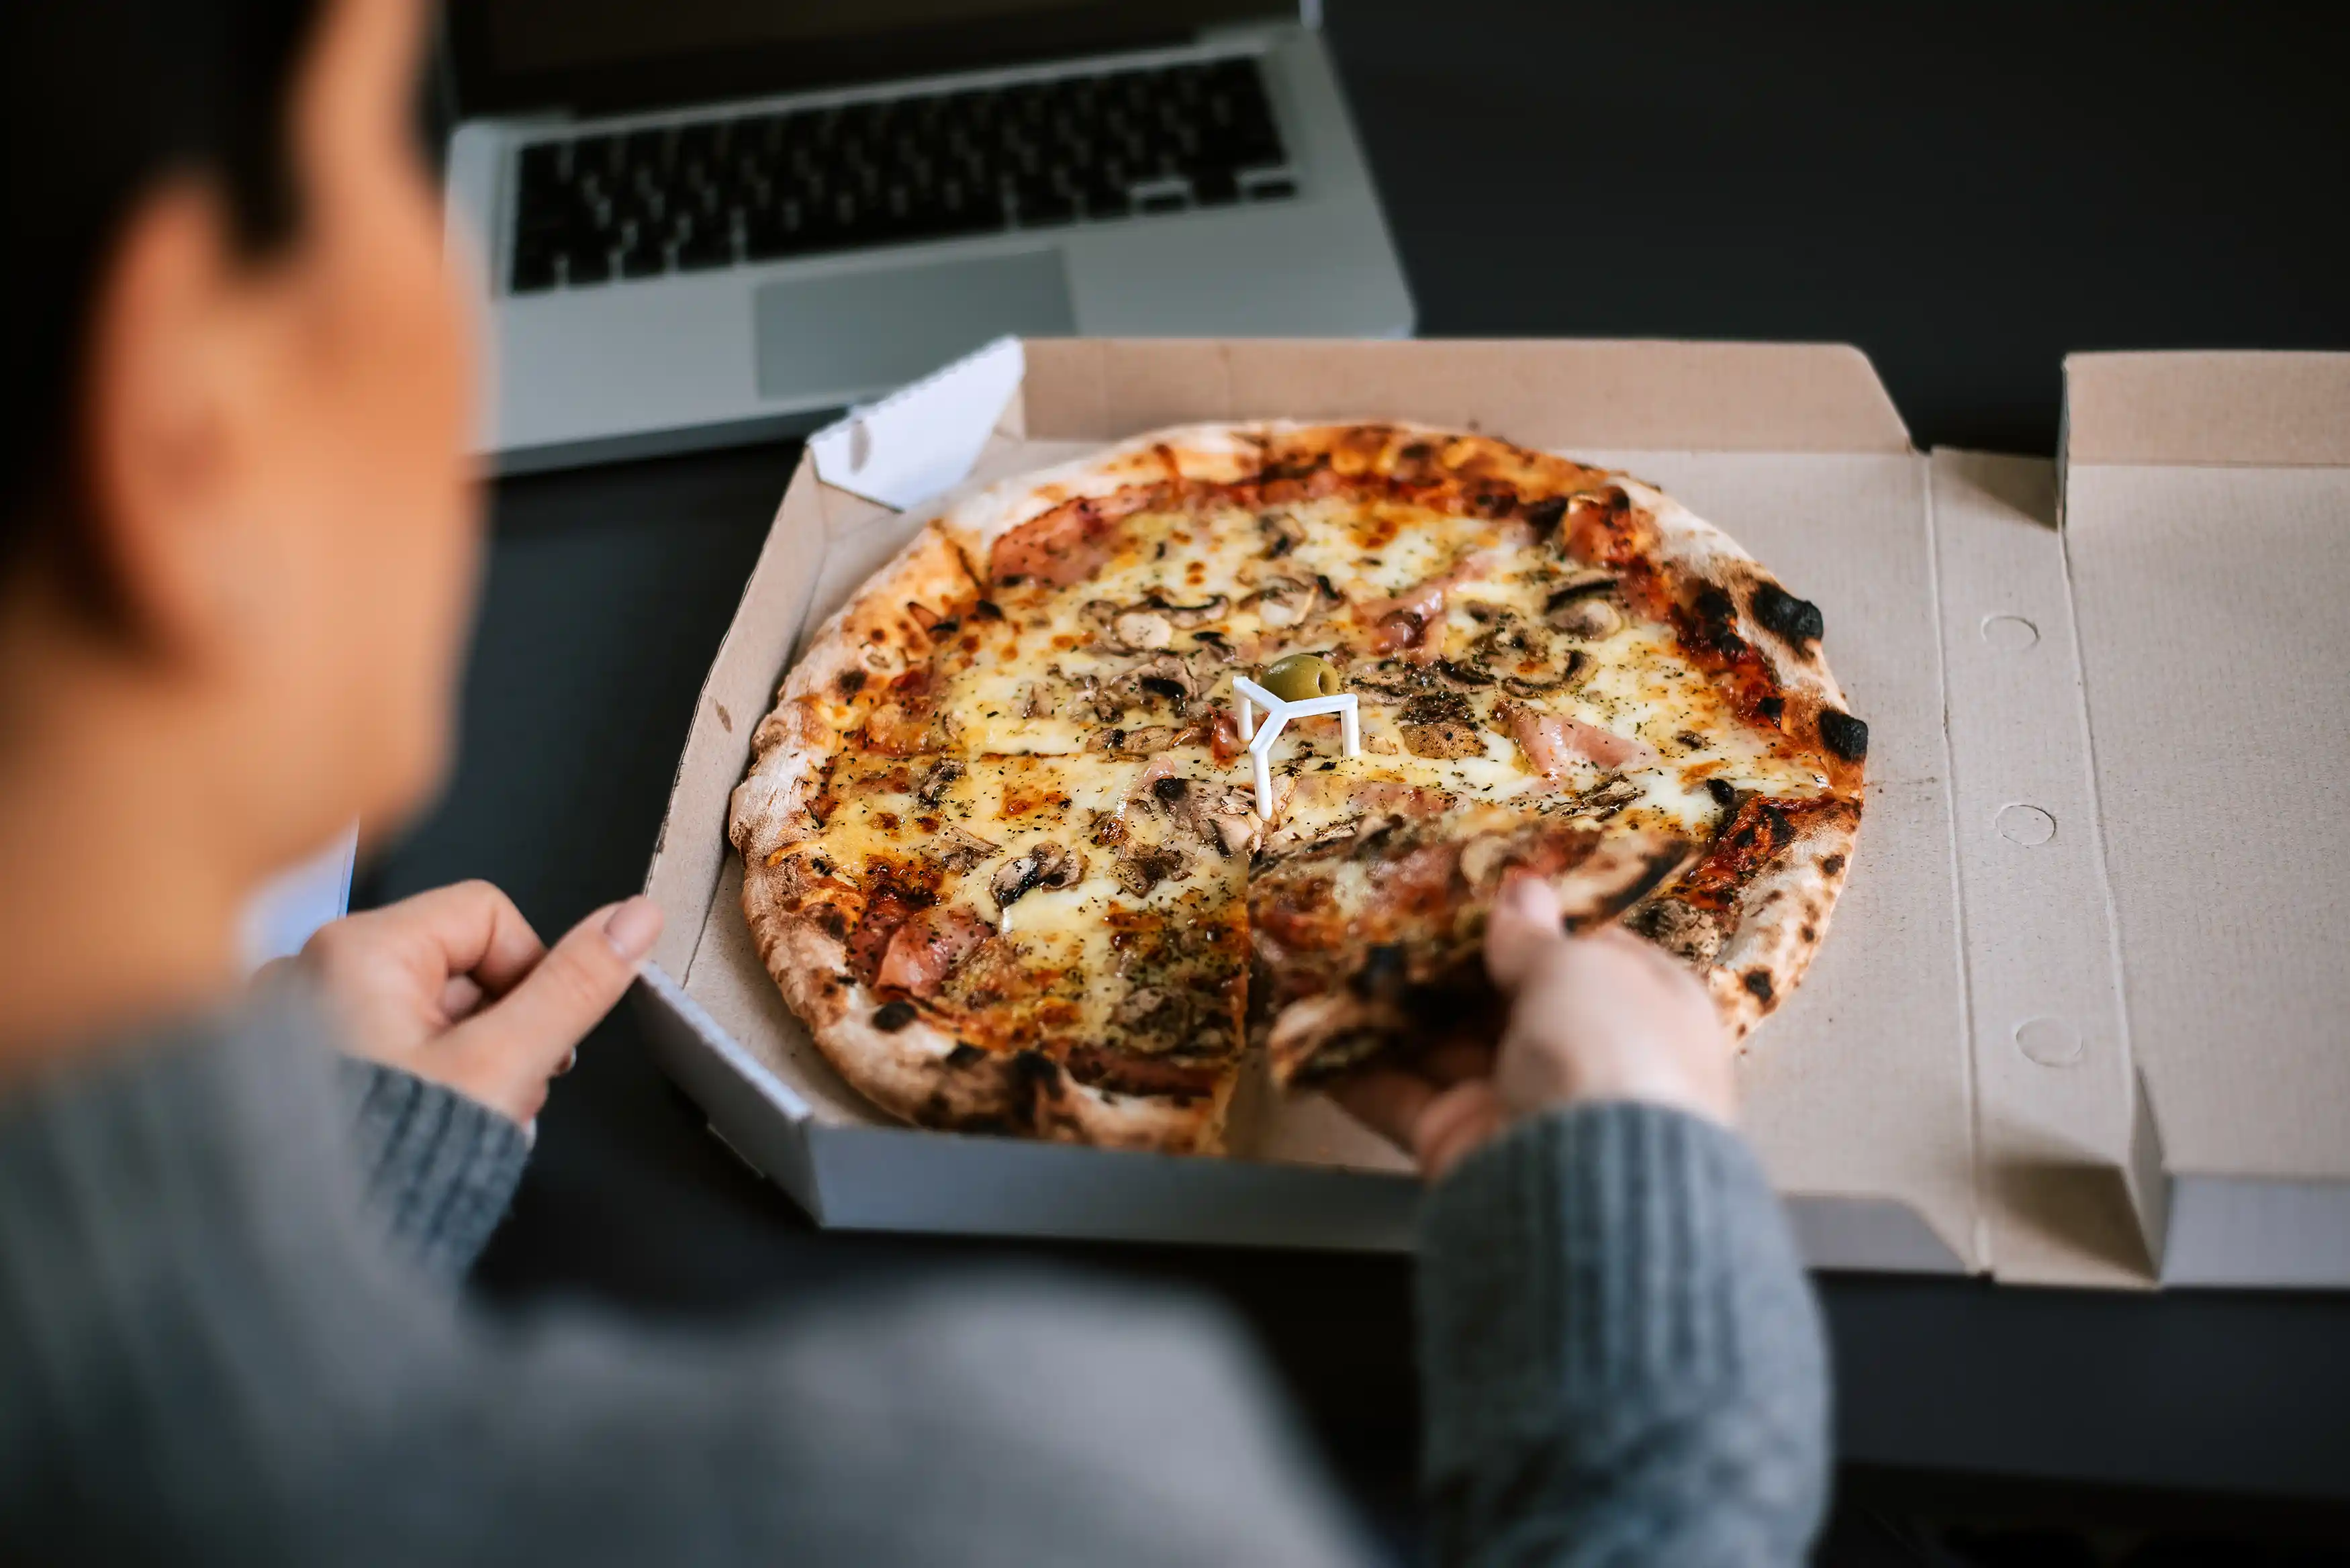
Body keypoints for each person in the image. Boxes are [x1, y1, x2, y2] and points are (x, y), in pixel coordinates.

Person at [0, 0, 1829, 1560]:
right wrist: (1640, 1255)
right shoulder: (993, 1499)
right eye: (402, 182)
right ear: (183, 428)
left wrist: (360, 1200)